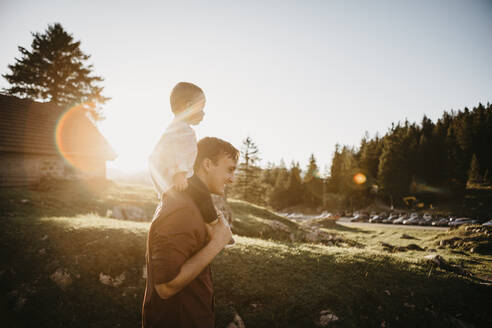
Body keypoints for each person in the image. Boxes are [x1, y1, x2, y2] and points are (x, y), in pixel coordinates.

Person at [142, 137, 239, 328]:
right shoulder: (181, 209)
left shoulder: (194, 205)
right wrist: (217, 243)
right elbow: (165, 286)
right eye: (229, 169)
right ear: (207, 164)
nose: (232, 179)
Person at [148, 82, 217, 224]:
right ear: (188, 106)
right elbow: (176, 153)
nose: (204, 113)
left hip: (173, 177)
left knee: (186, 201)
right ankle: (213, 223)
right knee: (203, 193)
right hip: (180, 175)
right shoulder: (183, 130)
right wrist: (179, 173)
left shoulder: (173, 128)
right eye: (201, 108)